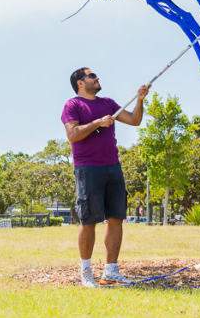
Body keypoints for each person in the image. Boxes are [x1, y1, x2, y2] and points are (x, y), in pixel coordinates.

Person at [61, 67, 148, 287]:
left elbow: (135, 120)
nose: (97, 78)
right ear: (80, 83)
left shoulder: (108, 103)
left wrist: (140, 100)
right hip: (88, 169)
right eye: (92, 76)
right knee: (89, 220)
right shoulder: (73, 105)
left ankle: (111, 271)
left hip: (113, 168)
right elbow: (72, 135)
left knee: (116, 218)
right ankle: (86, 271)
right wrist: (98, 123)